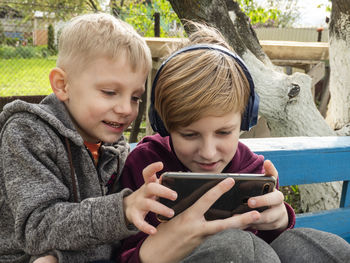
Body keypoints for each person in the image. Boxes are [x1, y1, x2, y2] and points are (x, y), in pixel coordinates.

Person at [117, 22, 350, 263]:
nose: (208, 153)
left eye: (224, 132)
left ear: (245, 119)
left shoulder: (252, 169)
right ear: (165, 125)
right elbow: (122, 253)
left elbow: (271, 249)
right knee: (237, 248)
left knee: (317, 246)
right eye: (189, 135)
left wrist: (279, 221)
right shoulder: (145, 165)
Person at [0, 13, 177, 263]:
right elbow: (37, 229)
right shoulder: (27, 134)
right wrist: (124, 208)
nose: (126, 108)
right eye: (109, 92)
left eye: (135, 97)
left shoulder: (114, 147)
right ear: (62, 85)